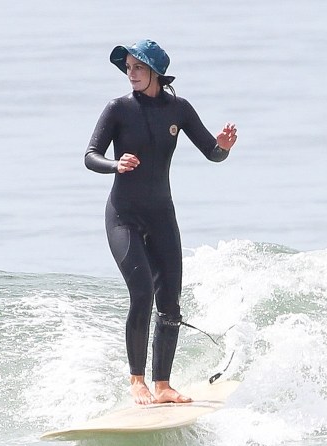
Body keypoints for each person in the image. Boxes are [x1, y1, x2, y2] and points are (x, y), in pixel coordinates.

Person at [84, 39, 237, 405]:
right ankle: (137, 381)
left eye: (138, 67)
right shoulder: (118, 109)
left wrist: (224, 147)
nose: (130, 73)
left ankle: (163, 385)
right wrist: (114, 164)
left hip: (161, 215)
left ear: (155, 72)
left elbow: (211, 153)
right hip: (123, 215)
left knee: (170, 301)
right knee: (141, 293)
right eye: (128, 67)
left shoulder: (179, 109)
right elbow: (90, 156)